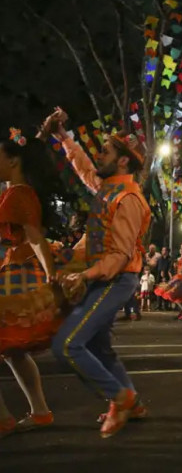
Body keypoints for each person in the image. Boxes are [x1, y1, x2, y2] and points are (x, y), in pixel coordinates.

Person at [47, 108, 152, 438]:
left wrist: (84, 276)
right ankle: (132, 403)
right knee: (101, 349)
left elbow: (120, 256)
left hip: (116, 279)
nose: (99, 155)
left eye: (105, 151)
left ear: (123, 162)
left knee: (67, 345)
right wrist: (64, 137)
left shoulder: (128, 199)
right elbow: (85, 171)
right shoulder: (109, 188)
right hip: (104, 276)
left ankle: (119, 397)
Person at [0, 128, 70, 438]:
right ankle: (39, 411)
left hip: (19, 274)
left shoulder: (18, 194)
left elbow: (34, 236)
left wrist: (51, 274)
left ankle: (5, 418)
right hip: (15, 269)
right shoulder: (15, 191)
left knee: (11, 347)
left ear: (13, 161)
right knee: (12, 350)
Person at [155, 246, 172, 311]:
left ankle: (166, 306)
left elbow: (170, 269)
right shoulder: (159, 259)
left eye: (165, 250)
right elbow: (157, 268)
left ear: (167, 251)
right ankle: (158, 306)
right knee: (158, 292)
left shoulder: (170, 259)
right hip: (159, 277)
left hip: (166, 277)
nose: (163, 252)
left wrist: (165, 276)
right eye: (162, 250)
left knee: (166, 292)